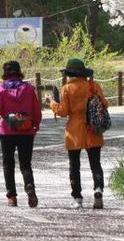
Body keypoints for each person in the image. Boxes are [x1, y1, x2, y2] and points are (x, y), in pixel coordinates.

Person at [46, 57, 110, 209]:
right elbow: (105, 104)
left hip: (74, 132)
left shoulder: (67, 89)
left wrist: (51, 103)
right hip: (93, 130)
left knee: (74, 165)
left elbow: (63, 112)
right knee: (95, 164)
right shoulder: (93, 85)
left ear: (69, 74)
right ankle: (98, 189)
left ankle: (77, 198)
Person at [0, 59, 42, 207]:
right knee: (26, 164)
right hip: (26, 130)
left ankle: (11, 196)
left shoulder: (0, 89)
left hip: (7, 130)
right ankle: (29, 185)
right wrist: (36, 125)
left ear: (5, 73)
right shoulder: (29, 88)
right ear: (19, 72)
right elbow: (36, 110)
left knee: (8, 164)